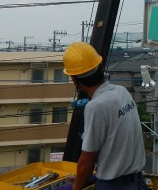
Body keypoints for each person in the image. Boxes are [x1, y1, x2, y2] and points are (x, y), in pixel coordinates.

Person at [63, 42, 147, 190]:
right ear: (100, 67)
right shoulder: (122, 92)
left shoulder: (95, 106)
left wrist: (76, 186)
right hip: (137, 182)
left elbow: (87, 160)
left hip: (113, 186)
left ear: (75, 80)